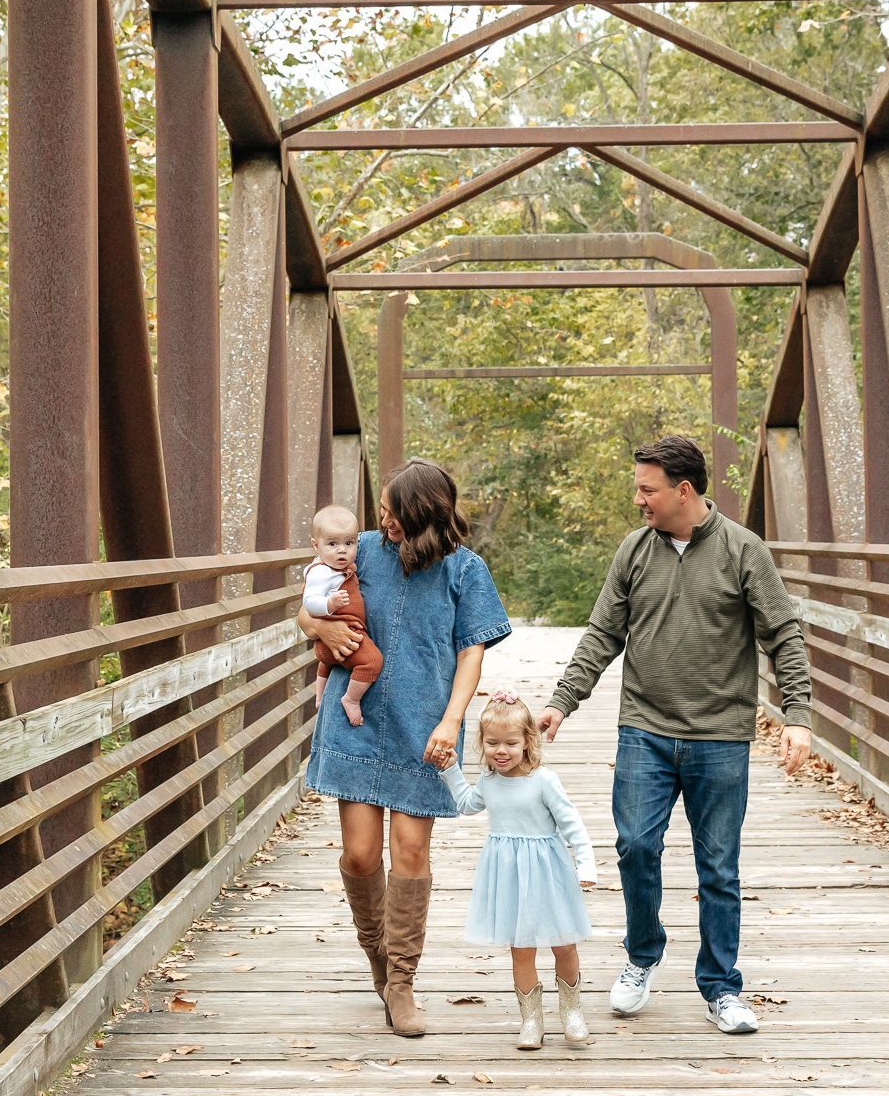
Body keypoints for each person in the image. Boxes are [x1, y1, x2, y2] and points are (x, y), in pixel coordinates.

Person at [538, 434, 813, 1036]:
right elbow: (602, 633)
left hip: (721, 735)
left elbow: (784, 634)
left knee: (719, 866)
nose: (638, 499)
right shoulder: (634, 550)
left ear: (682, 490)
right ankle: (642, 956)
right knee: (636, 846)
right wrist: (563, 702)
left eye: (647, 489)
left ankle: (721, 986)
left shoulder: (745, 551)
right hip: (646, 729)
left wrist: (798, 715)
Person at [299, 459, 512, 1038]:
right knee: (361, 856)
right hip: (357, 720)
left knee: (412, 856)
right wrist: (319, 630)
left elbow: (473, 653)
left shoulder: (465, 572)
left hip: (424, 730)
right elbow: (307, 603)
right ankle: (376, 954)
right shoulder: (361, 549)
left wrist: (451, 721)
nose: (382, 520)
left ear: (422, 516)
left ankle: (401, 980)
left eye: (393, 512)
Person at [435, 691, 596, 1051]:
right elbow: (466, 804)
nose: (500, 750)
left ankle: (572, 1011)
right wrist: (450, 769)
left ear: (528, 741)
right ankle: (531, 1020)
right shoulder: (490, 782)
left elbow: (572, 825)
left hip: (548, 870)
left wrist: (585, 864)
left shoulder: (544, 781)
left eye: (510, 742)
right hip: (508, 874)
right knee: (520, 948)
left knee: (563, 943)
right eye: (492, 743)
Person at [304, 503, 383, 726]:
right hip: (344, 636)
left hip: (328, 649)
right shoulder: (321, 572)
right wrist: (330, 604)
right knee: (372, 662)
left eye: (349, 543)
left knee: (326, 664)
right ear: (315, 545)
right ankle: (351, 698)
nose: (342, 550)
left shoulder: (336, 567)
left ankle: (320, 696)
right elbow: (308, 603)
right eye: (332, 544)